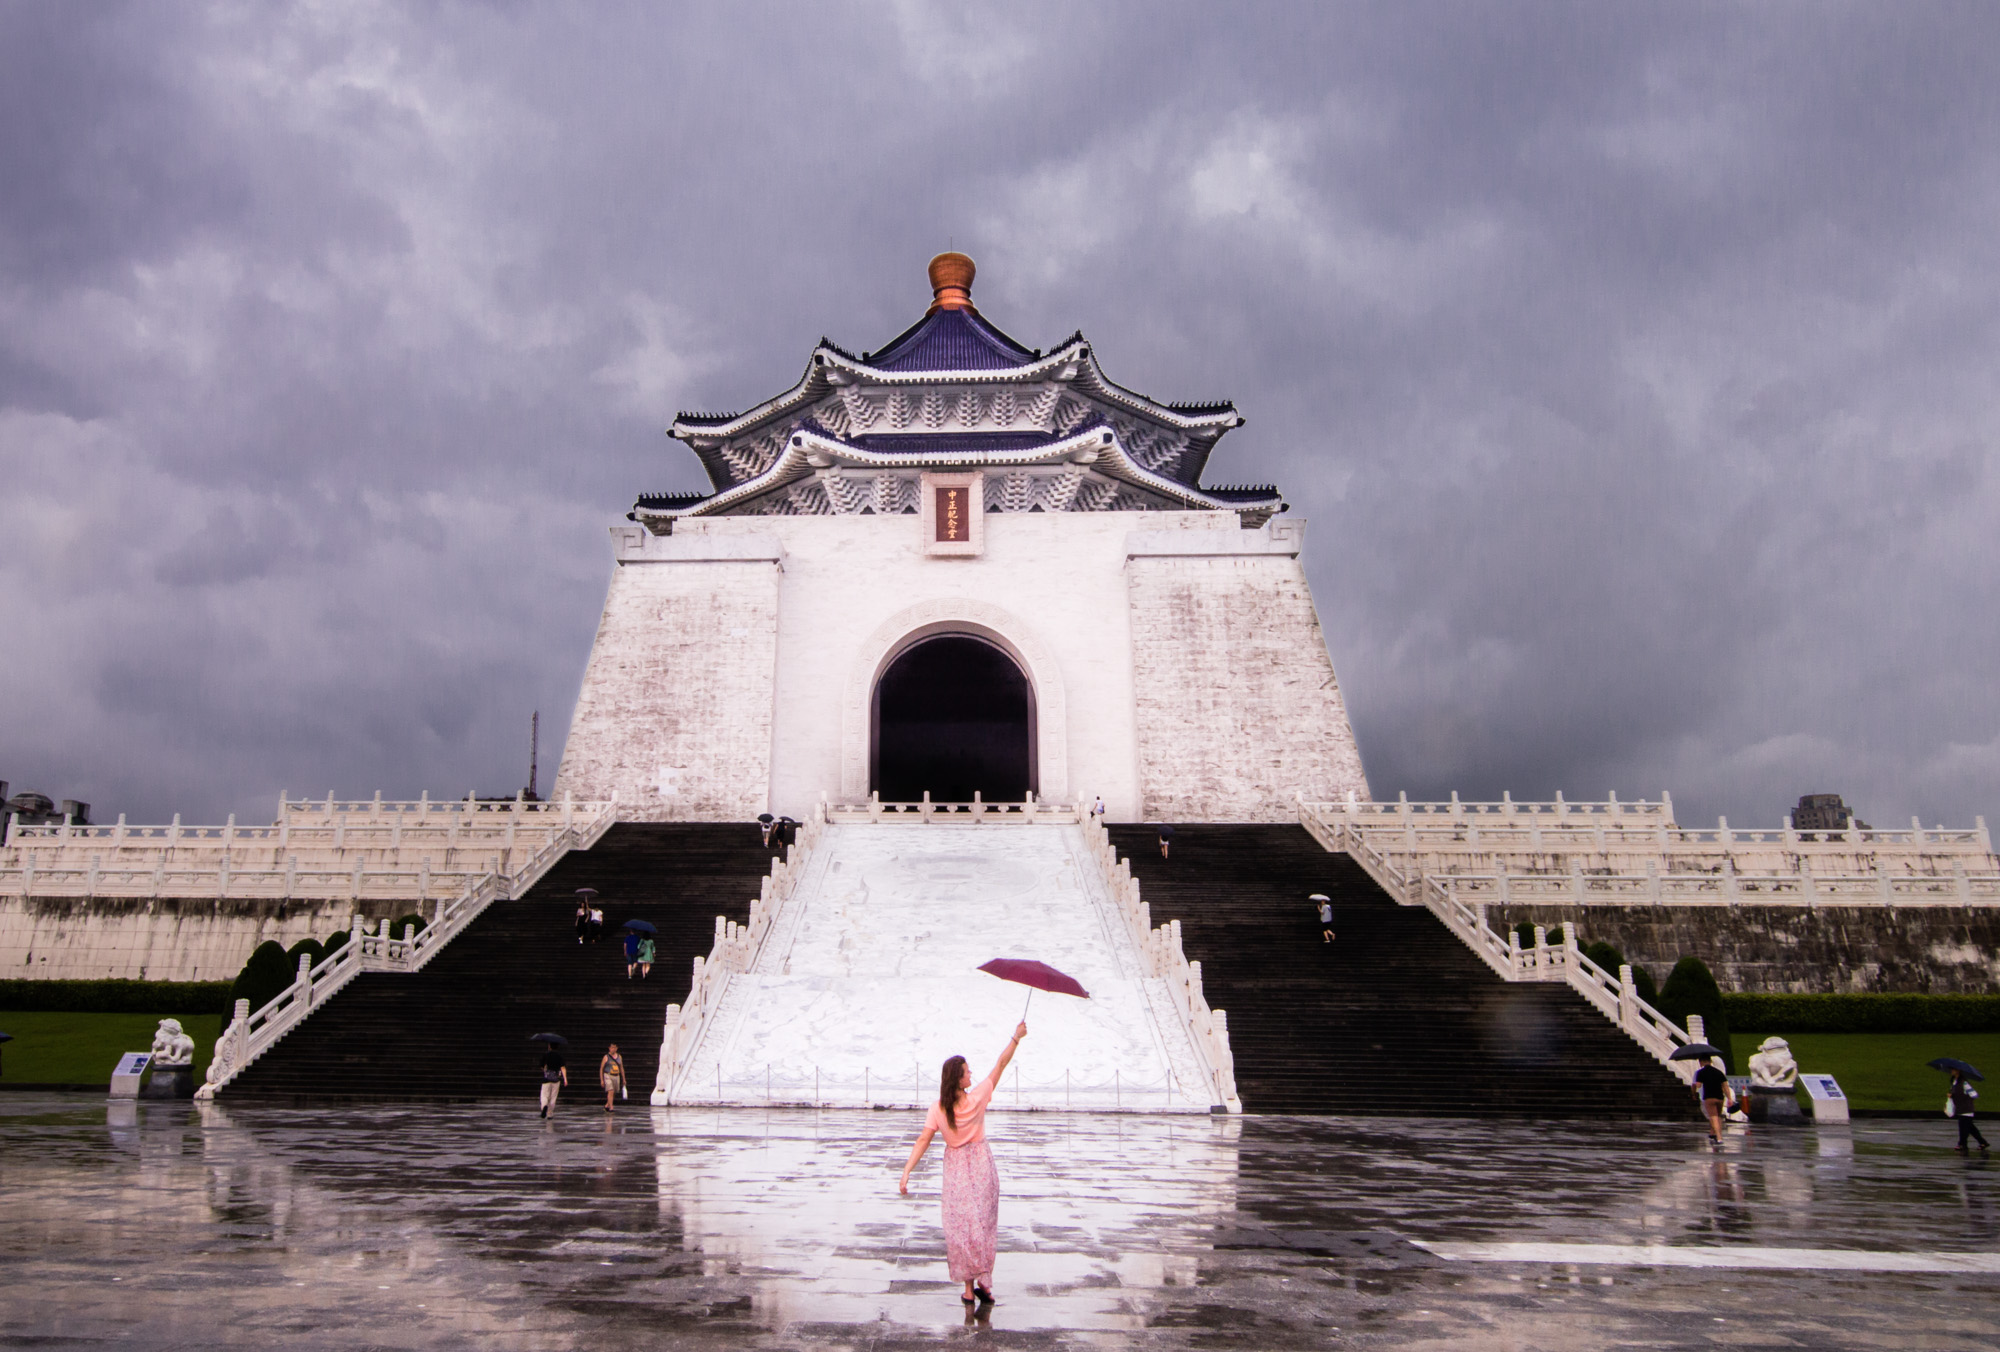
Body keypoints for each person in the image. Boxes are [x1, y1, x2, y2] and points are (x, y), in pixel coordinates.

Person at [899, 1021, 1028, 1308]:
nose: (972, 1074)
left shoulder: (938, 1108)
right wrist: (1016, 1038)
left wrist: (907, 1171)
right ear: (959, 1079)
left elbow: (923, 1140)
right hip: (981, 1163)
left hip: (956, 1168)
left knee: (963, 1228)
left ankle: (970, 1288)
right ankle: (984, 1282)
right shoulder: (977, 1098)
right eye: (968, 1071)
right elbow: (1002, 1063)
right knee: (983, 1226)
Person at [1950, 1069, 1989, 1153]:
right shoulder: (1954, 1082)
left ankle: (1962, 1144)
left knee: (1963, 1128)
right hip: (1961, 1109)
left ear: (1958, 1071)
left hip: (1966, 1109)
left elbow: (1974, 1094)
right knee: (1971, 1128)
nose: (1951, 1071)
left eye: (1953, 1069)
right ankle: (1983, 1142)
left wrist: (1966, 1098)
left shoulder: (1964, 1083)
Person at [1694, 1054, 1727, 1146]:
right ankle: (1713, 1134)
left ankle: (1719, 1137)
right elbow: (1725, 1086)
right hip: (1720, 1097)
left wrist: (1695, 1084)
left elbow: (1698, 1085)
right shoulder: (1719, 1072)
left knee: (1713, 1116)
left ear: (1702, 1062)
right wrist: (1730, 1098)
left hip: (1709, 1097)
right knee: (1718, 1116)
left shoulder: (1701, 1072)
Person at [539, 1045, 567, 1118]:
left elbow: (541, 1066)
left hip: (547, 1078)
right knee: (553, 1097)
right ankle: (550, 1113)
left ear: (549, 1046)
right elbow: (563, 1068)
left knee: (544, 1095)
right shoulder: (559, 1056)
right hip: (556, 1079)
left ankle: (544, 1106)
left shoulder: (546, 1055)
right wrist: (565, 1079)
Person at [600, 1043, 626, 1114]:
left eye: (614, 1047)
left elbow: (621, 1068)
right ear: (609, 1048)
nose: (613, 1049)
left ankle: (607, 1105)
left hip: (616, 1075)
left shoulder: (619, 1057)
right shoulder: (606, 1057)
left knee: (613, 1092)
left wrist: (623, 1078)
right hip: (608, 1075)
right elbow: (601, 1068)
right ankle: (611, 1107)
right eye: (612, 1047)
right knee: (610, 1090)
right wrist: (602, 1080)